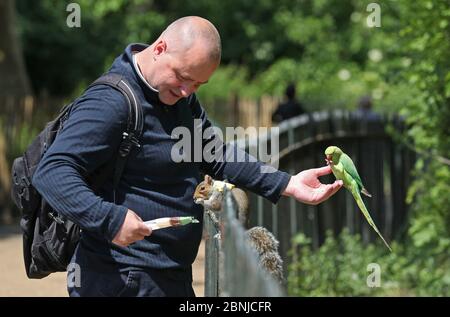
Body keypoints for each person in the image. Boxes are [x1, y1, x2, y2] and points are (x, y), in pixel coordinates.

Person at [32, 16, 343, 297]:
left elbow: (215, 153)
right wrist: (109, 219)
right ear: (160, 48)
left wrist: (287, 183)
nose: (187, 91)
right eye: (182, 77)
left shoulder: (180, 98)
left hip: (168, 275)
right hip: (122, 278)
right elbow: (53, 171)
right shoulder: (110, 103)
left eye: (197, 84)